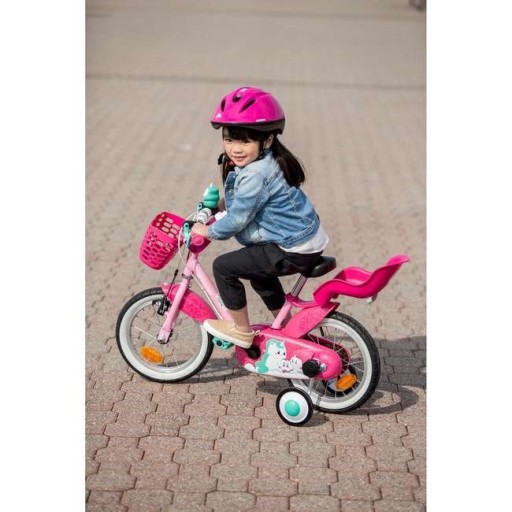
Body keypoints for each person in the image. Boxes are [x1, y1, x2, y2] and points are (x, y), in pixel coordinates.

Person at [191, 86, 329, 348]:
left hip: (292, 247)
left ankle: (241, 331)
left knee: (223, 267)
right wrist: (220, 205)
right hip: (304, 240)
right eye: (229, 140)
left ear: (266, 140)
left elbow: (238, 220)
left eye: (245, 141)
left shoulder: (256, 173)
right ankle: (287, 327)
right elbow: (250, 201)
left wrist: (207, 230)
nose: (235, 149)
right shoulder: (268, 161)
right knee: (257, 272)